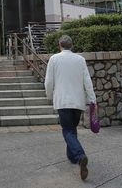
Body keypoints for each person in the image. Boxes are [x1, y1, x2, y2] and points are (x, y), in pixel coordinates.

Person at [45, 34, 96, 181]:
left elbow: (49, 81)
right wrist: (92, 99)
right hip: (77, 101)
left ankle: (80, 156)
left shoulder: (54, 59)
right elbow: (87, 81)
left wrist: (49, 95)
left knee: (67, 130)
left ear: (59, 45)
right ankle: (72, 157)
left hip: (63, 101)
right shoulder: (80, 60)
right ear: (71, 46)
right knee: (72, 129)